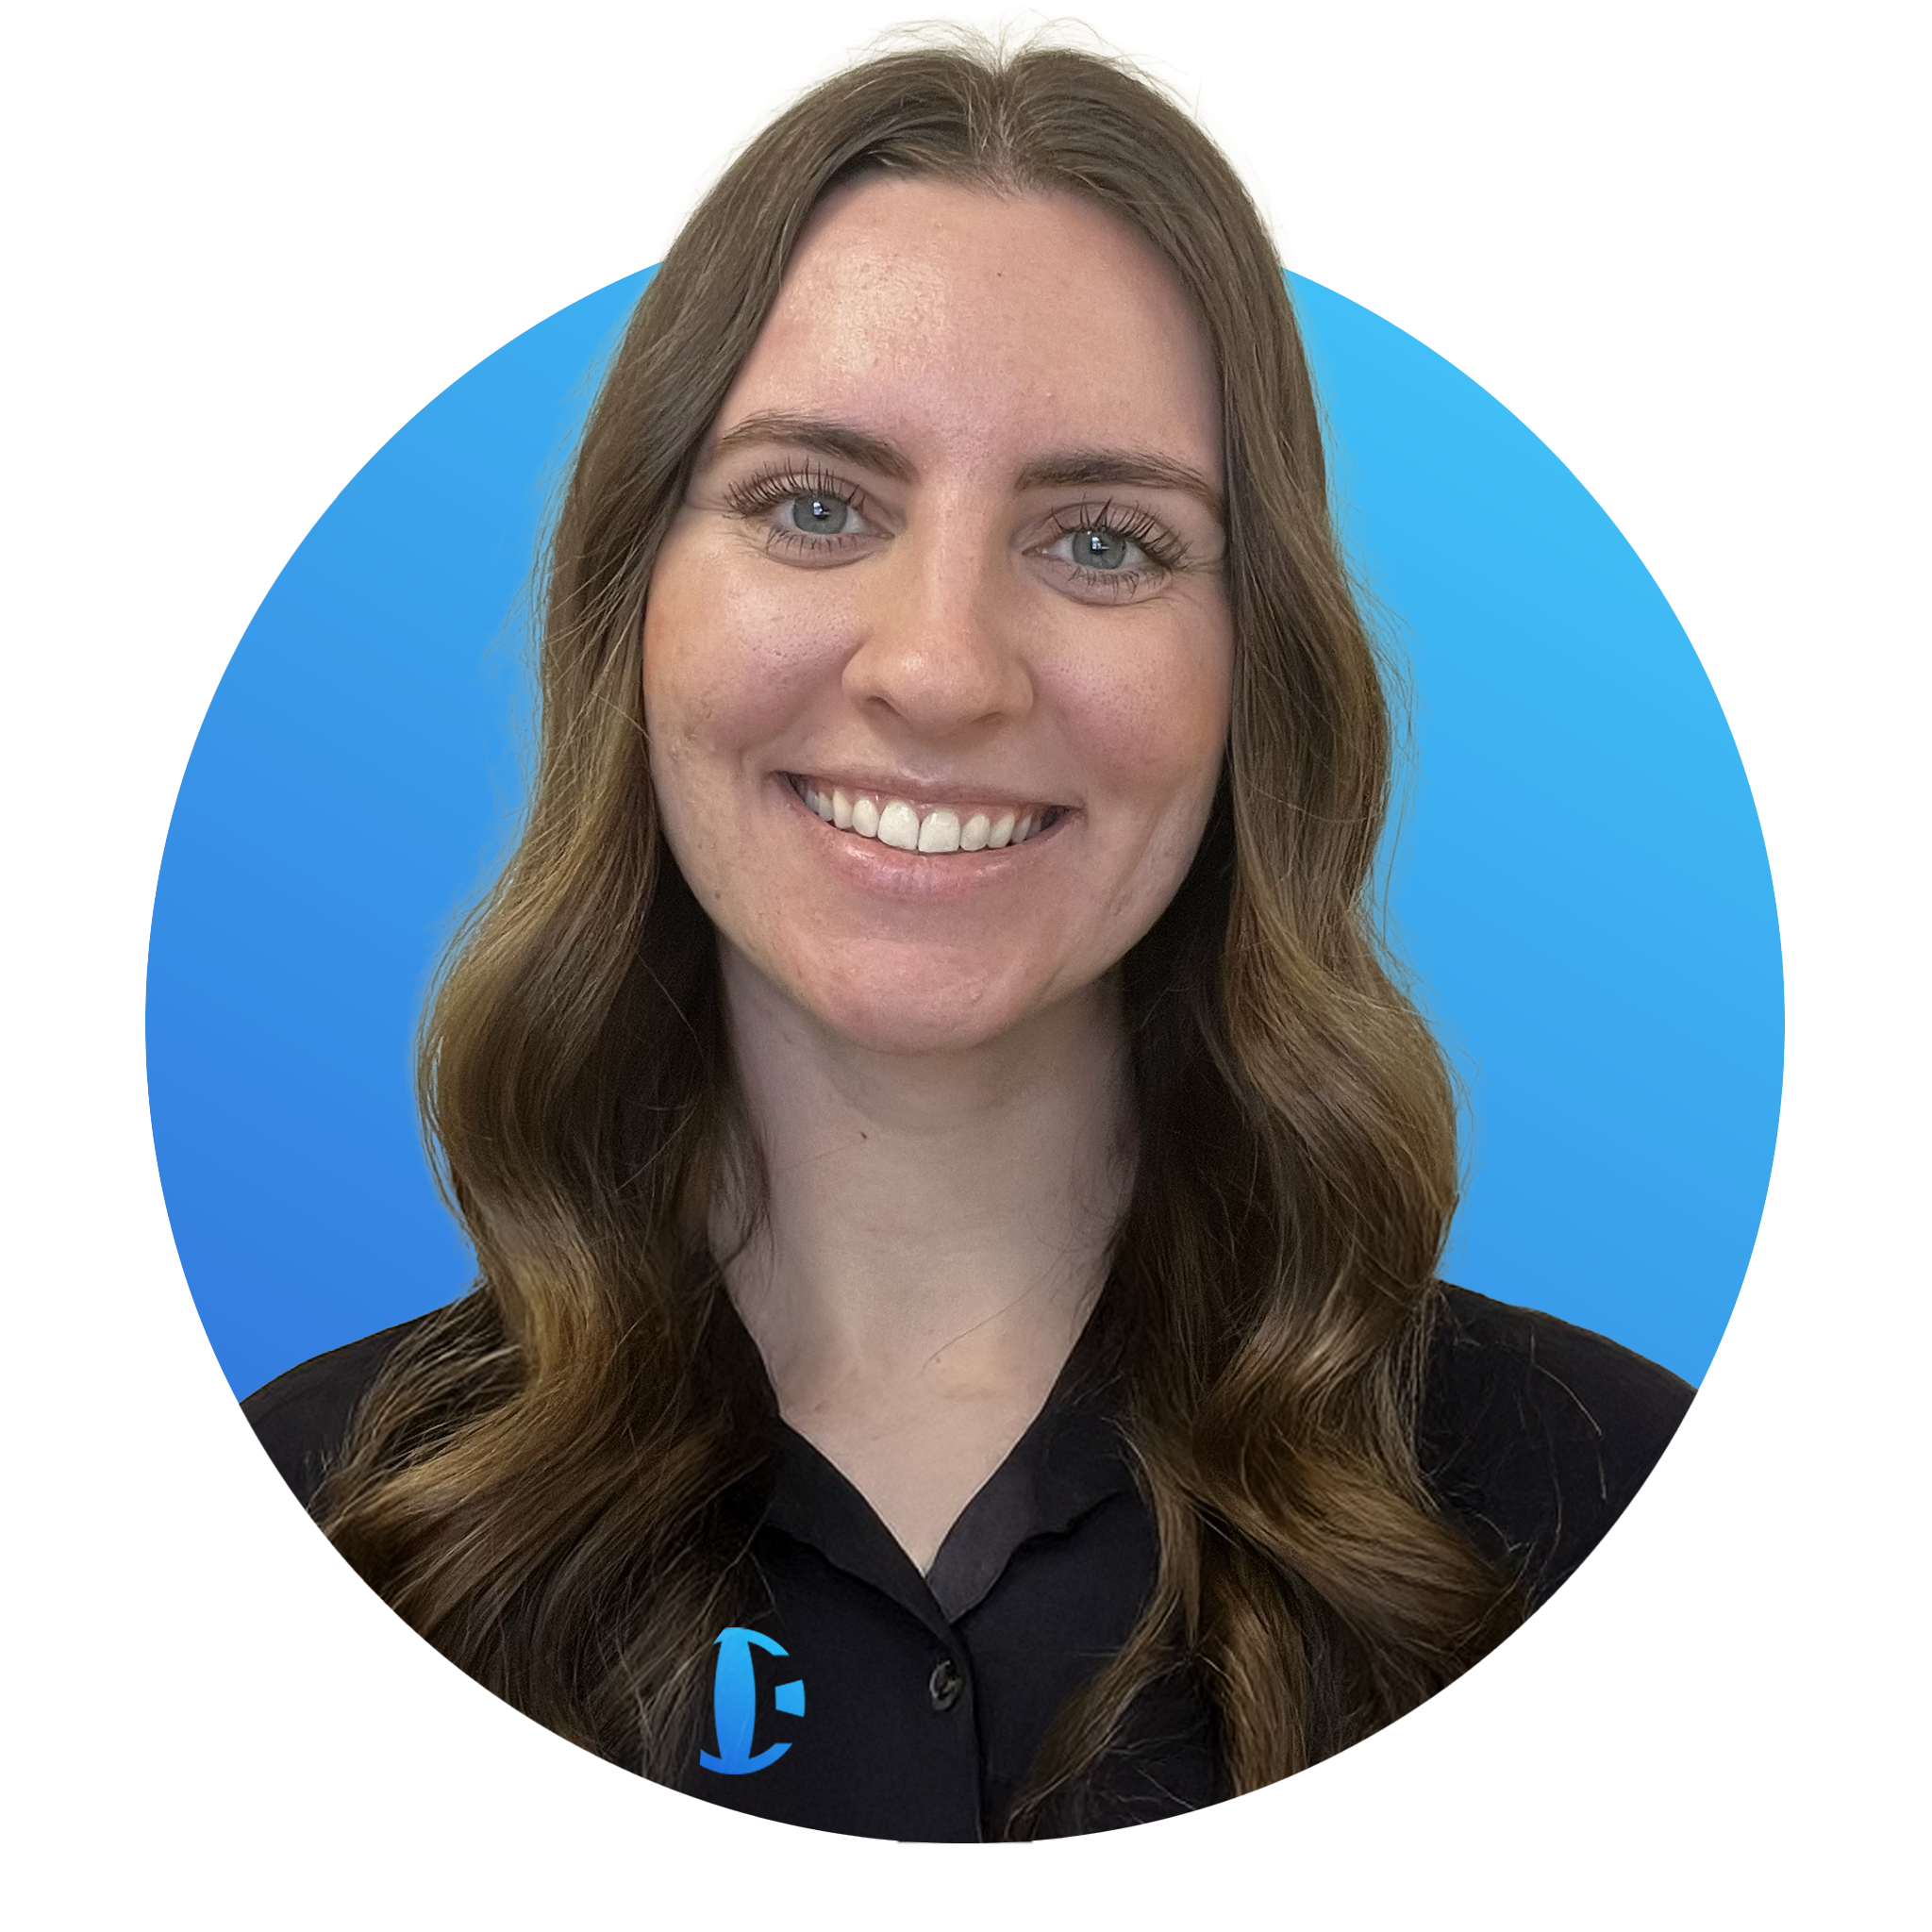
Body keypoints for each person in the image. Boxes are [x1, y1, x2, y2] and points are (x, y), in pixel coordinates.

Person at [238, 10, 1699, 1868]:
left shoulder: (1607, 1518)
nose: (939, 668)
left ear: (1254, 672)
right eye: (814, 505)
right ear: (633, 613)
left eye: (1103, 541)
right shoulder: (338, 1510)